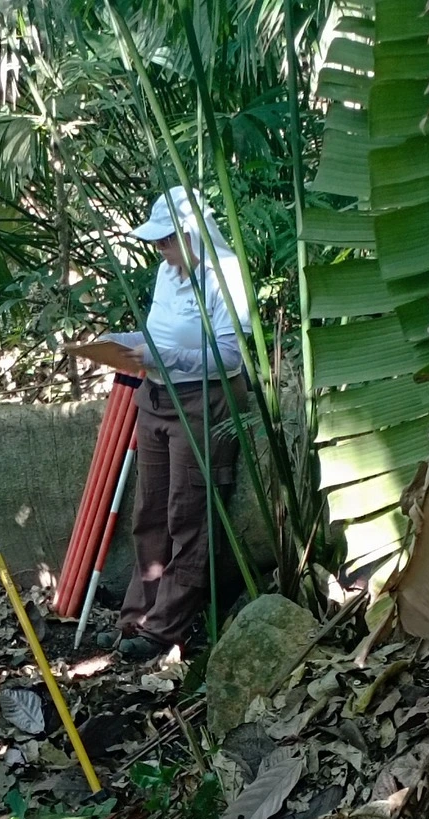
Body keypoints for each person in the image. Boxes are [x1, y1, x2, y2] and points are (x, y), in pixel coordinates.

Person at [99, 186, 251, 661]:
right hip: (155, 395)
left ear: (191, 234)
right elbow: (159, 331)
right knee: (149, 509)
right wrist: (123, 344)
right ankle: (136, 617)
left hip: (204, 399)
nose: (160, 249)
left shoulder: (224, 274)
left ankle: (165, 628)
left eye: (167, 239)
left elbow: (230, 353)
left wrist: (166, 356)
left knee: (189, 511)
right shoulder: (169, 272)